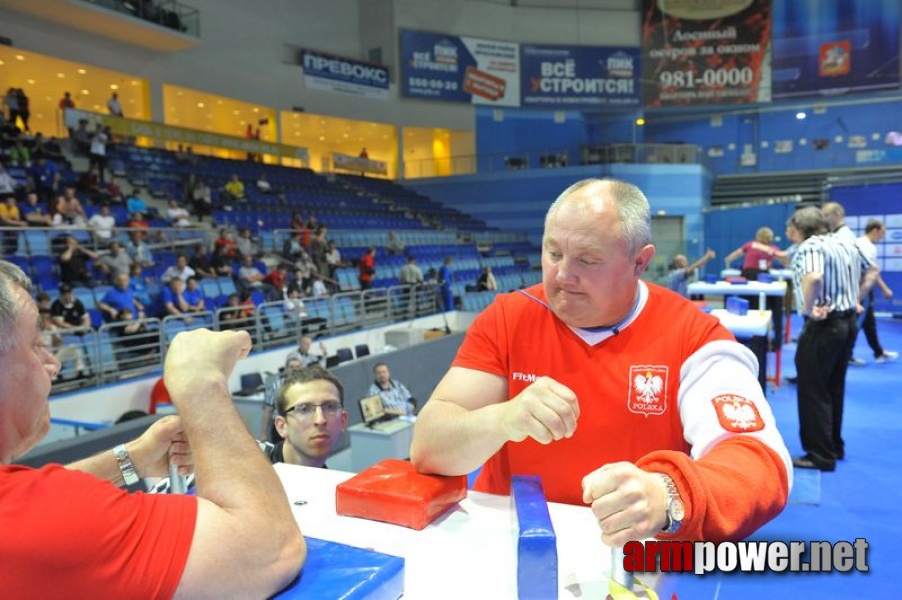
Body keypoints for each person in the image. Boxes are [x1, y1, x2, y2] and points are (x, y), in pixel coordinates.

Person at [410, 178, 792, 544]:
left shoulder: (694, 337)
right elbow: (428, 448)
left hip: (629, 559)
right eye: (553, 252)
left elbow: (761, 463)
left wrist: (667, 495)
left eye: (588, 260)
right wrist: (501, 418)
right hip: (509, 547)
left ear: (640, 262)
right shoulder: (508, 317)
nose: (562, 276)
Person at [0, 261, 305, 597]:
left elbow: (32, 500)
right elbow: (271, 547)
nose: (53, 364)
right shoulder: (31, 526)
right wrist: (200, 382)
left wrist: (132, 459)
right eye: (35, 344)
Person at [789, 206, 876, 472]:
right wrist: (855, 298)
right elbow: (871, 271)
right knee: (833, 387)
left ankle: (819, 455)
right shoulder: (844, 243)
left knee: (813, 390)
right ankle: (833, 446)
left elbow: (814, 277)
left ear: (798, 228)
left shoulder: (810, 247)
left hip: (824, 325)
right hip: (847, 322)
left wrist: (806, 308)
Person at [265, 365, 348, 467]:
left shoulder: (325, 478)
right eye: (304, 409)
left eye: (330, 406)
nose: (320, 419)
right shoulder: (251, 472)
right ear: (282, 426)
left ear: (343, 421)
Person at [852, 219, 897, 365]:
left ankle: (878, 352)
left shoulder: (860, 242)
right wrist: (884, 289)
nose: (883, 236)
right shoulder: (868, 247)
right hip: (862, 291)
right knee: (856, 323)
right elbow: (871, 273)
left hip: (861, 289)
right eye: (882, 232)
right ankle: (846, 354)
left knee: (868, 322)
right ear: (875, 230)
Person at [260, 356, 305, 441]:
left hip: (300, 428)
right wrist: (263, 434)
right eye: (291, 367)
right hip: (280, 429)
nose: (295, 370)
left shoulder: (306, 386)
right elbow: (267, 411)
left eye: (297, 367)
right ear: (286, 369)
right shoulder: (275, 386)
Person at [723, 227, 788, 280]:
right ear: (770, 237)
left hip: (748, 273)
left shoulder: (750, 244)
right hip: (763, 275)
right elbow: (784, 261)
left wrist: (727, 259)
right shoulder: (773, 249)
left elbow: (737, 253)